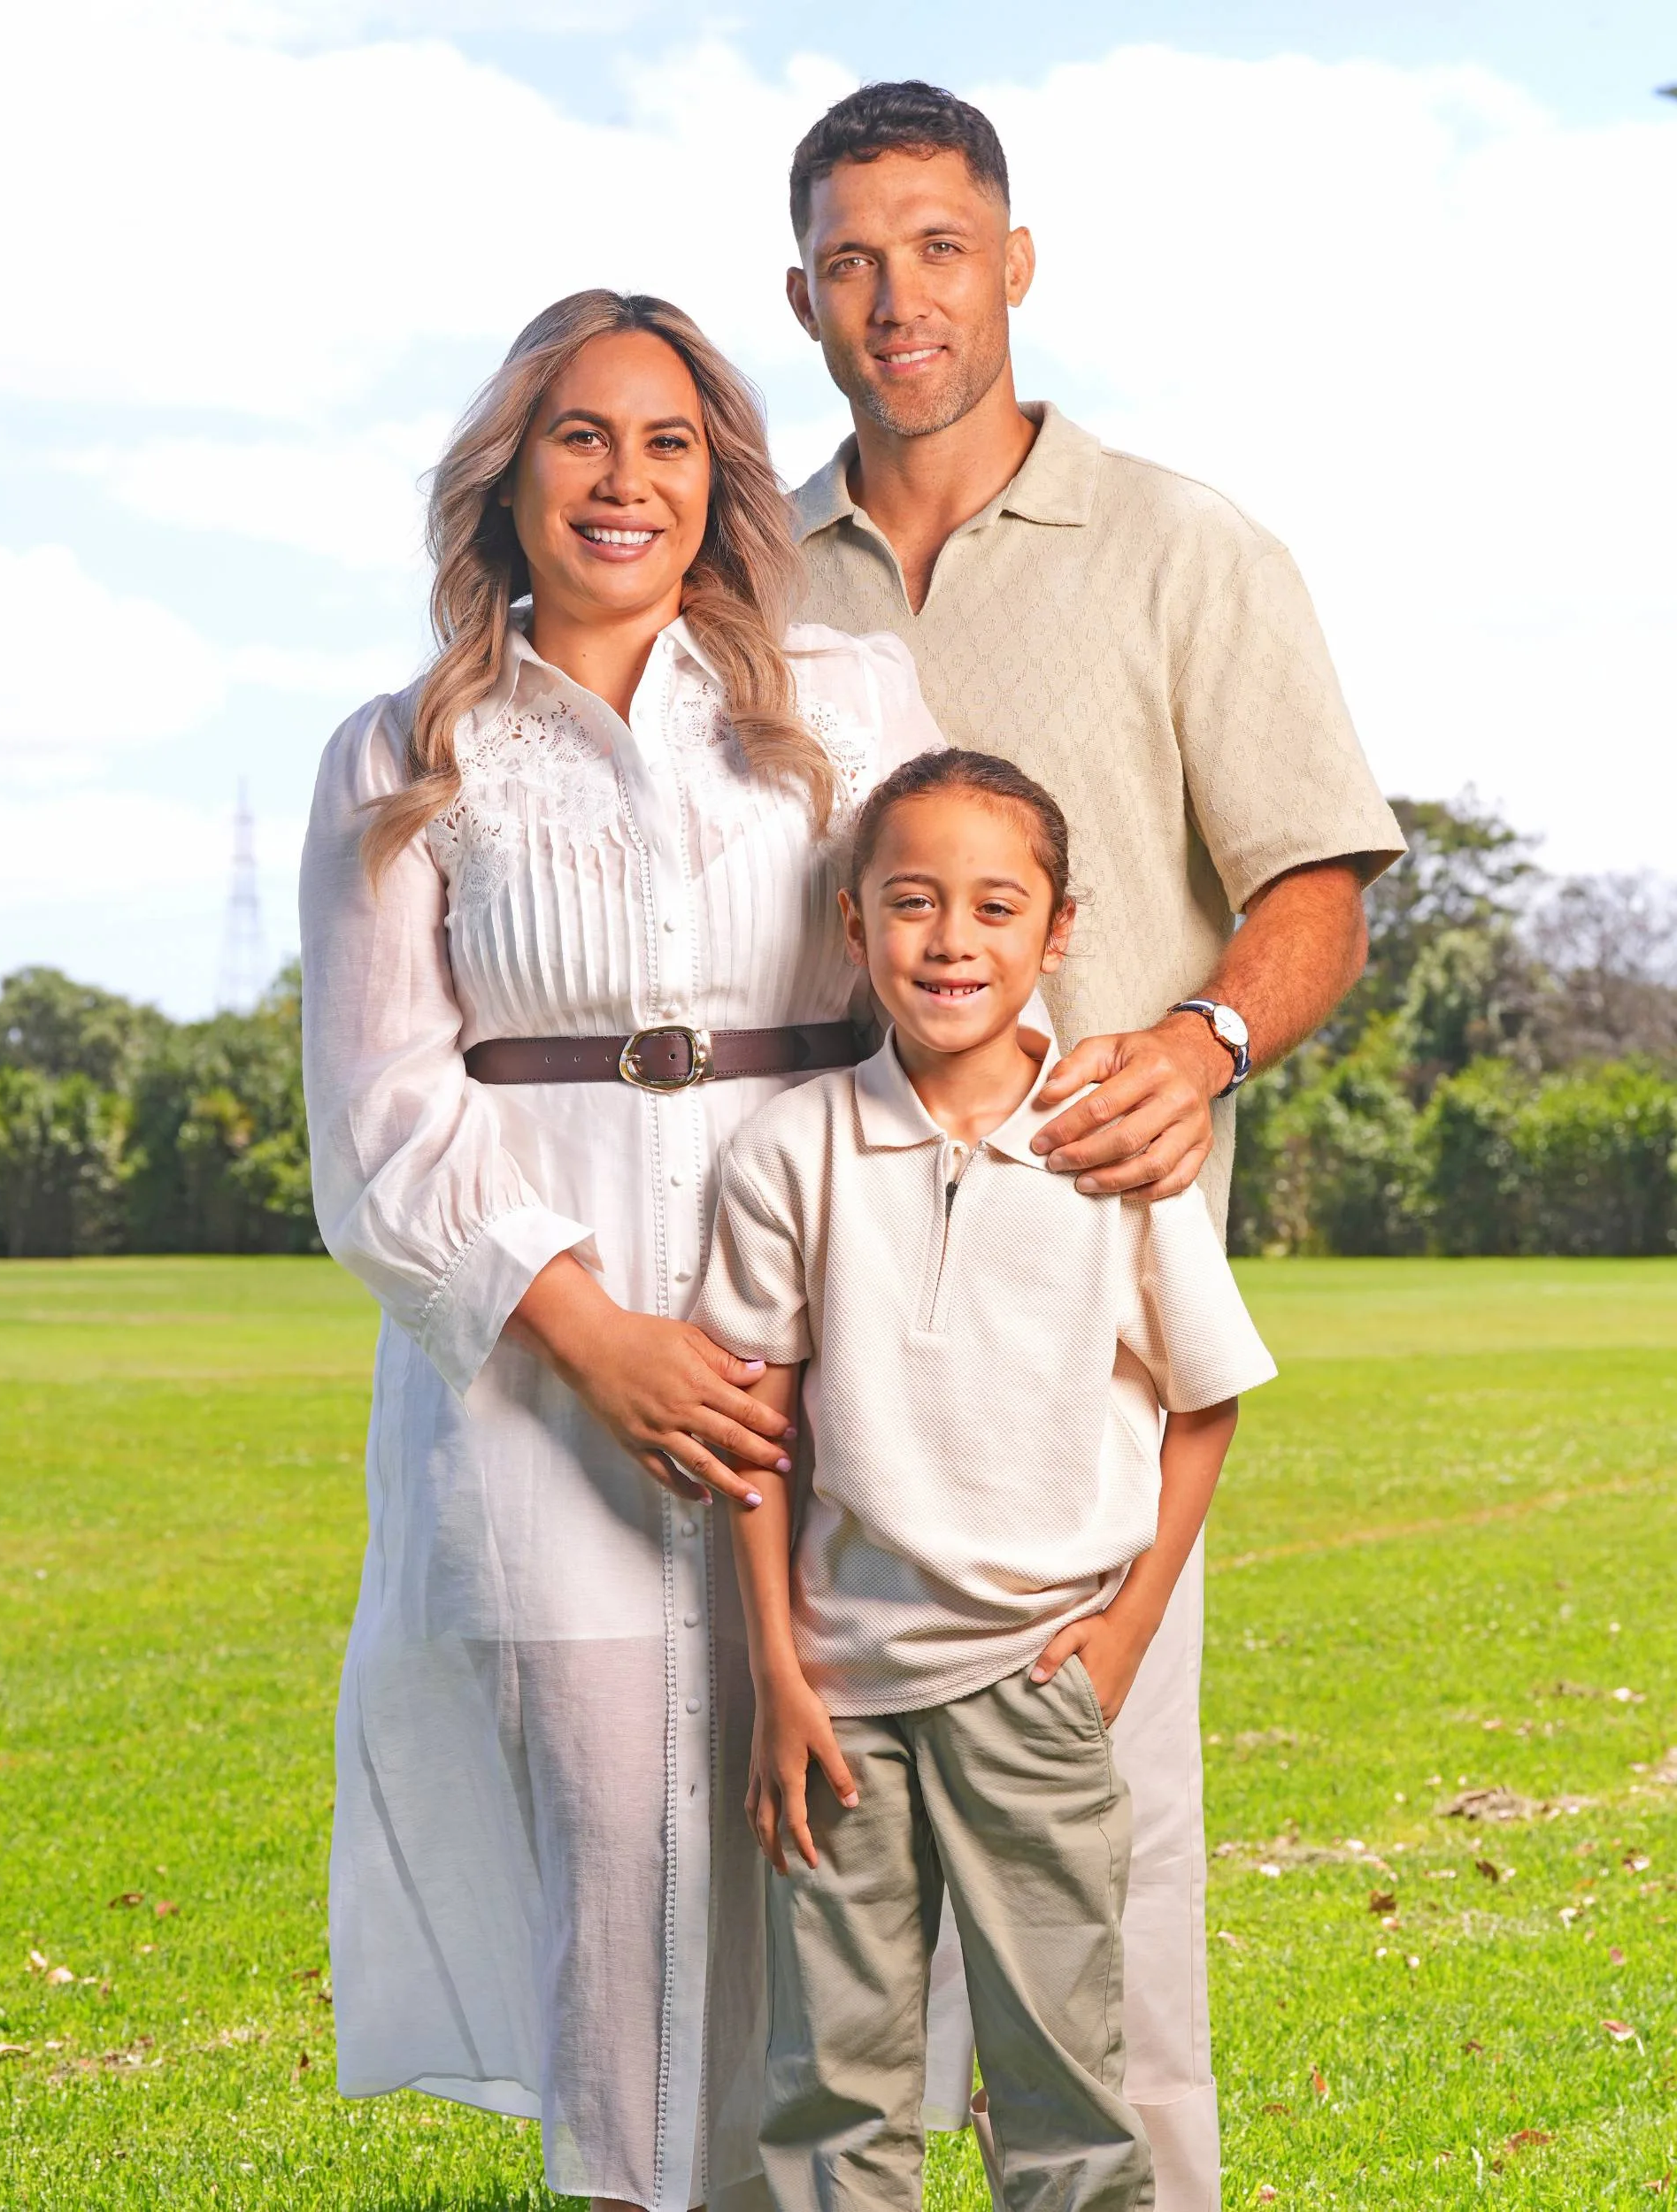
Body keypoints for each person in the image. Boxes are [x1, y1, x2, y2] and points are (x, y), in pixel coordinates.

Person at [783, 82, 1406, 2209]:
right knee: (831, 1983)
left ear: (1016, 263)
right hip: (838, 1368)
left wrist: (1209, 1033)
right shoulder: (748, 573)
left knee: (1102, 1959)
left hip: (1095, 1377)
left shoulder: (1186, 544)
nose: (901, 298)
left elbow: (1315, 873)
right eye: (854, 260)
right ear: (803, 297)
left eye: (940, 246)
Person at [298, 288, 944, 2212]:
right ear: (511, 473)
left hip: (819, 1371)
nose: (626, 478)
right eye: (582, 435)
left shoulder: (849, 702)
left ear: (718, 481)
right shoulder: (406, 749)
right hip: (535, 1404)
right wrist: (595, 1335)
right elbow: (384, 1114)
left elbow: (947, 969)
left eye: (668, 441)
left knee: (827, 1865)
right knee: (612, 1875)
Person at [691, 749, 1278, 2212]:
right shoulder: (791, 1149)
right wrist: (778, 1675)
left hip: (1038, 1686)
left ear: (1056, 930)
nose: (951, 939)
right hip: (841, 1701)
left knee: (1062, 2093)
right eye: (912, 902)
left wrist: (1126, 1633)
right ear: (852, 925)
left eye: (995, 907)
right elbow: (753, 1439)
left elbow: (1206, 1402)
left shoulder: (1119, 1150)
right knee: (830, 2093)